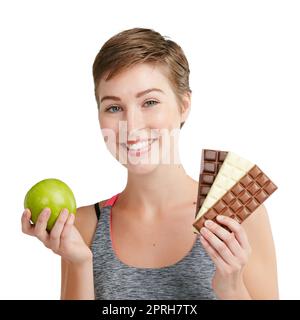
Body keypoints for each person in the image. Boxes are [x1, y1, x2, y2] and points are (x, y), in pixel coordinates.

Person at [21, 27, 279, 300]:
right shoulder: (83, 225)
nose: (132, 126)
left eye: (150, 102)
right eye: (114, 107)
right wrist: (80, 263)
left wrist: (232, 286)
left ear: (184, 105)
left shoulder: (237, 214)